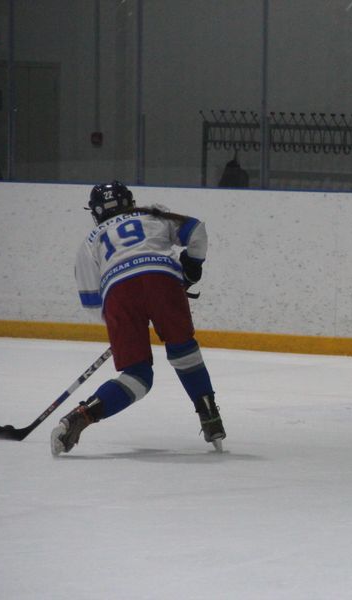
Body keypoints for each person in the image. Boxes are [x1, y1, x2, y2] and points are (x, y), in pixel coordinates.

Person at [51, 181, 225, 455]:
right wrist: (191, 267)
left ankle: (82, 415)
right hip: (163, 281)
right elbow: (196, 230)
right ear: (129, 201)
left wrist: (124, 328)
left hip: (119, 295)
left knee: (138, 376)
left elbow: (92, 302)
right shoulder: (154, 214)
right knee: (183, 351)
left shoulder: (89, 242)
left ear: (95, 212)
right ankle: (209, 413)